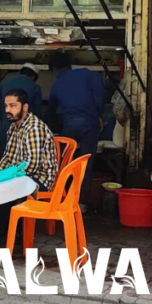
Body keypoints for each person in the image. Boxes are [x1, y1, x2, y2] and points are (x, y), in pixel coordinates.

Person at [0, 88, 59, 237]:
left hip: (40, 179)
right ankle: (10, 231)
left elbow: (32, 165)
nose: (8, 110)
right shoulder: (14, 127)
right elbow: (8, 156)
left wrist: (9, 177)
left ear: (25, 107)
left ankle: (16, 234)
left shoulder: (33, 129)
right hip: (21, 175)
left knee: (2, 196)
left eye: (13, 106)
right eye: (6, 106)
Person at [45, 52, 105, 212]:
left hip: (69, 126)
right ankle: (81, 203)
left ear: (54, 70)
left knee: (62, 163)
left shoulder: (56, 86)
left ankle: (58, 197)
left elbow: (50, 112)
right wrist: (99, 113)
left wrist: (46, 130)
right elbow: (100, 93)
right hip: (91, 125)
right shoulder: (87, 74)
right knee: (86, 164)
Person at [0, 63, 42, 154]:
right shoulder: (35, 87)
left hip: (5, 128)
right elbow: (38, 113)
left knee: (4, 159)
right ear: (33, 77)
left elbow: (0, 112)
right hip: (26, 130)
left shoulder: (5, 83)